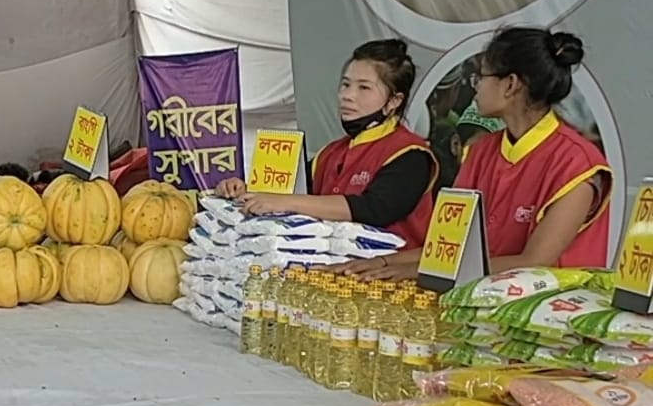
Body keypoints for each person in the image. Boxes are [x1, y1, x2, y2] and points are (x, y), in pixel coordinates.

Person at [339, 27, 611, 280]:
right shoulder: (481, 151)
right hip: (481, 305)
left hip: (550, 319)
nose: (476, 86)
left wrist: (413, 271)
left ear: (510, 84)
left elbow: (535, 263)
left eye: (481, 77)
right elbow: (447, 244)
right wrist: (383, 262)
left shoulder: (577, 163)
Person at [216, 39, 437, 249]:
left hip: (394, 281)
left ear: (394, 101)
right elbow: (286, 191)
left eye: (364, 88)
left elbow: (374, 209)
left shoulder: (410, 154)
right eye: (346, 84)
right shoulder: (330, 153)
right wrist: (245, 190)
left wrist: (286, 202)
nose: (347, 96)